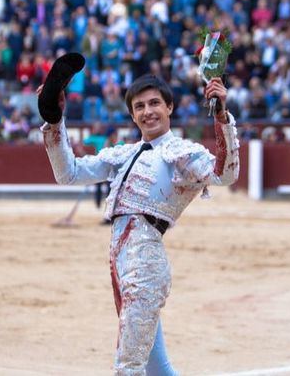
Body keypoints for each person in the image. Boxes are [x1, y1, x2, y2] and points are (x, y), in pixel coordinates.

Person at [40, 74, 239, 374]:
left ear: (170, 107)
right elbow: (67, 173)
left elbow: (224, 174)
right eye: (140, 106)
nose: (148, 112)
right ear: (132, 115)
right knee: (157, 367)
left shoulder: (182, 154)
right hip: (120, 263)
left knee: (129, 365)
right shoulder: (124, 153)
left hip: (145, 263)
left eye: (155, 103)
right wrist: (55, 120)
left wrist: (221, 114)